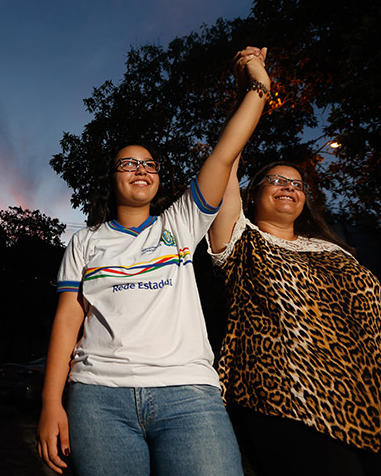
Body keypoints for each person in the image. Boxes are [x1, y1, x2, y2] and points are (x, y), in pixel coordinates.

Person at [36, 46, 271, 476]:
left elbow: (224, 153)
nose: (141, 169)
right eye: (128, 163)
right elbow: (68, 320)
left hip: (188, 397)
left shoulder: (181, 223)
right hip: (98, 399)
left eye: (149, 164)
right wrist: (52, 403)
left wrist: (255, 86)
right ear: (110, 178)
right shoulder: (85, 242)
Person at [206, 160, 381, 476]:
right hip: (291, 402)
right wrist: (247, 110)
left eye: (297, 185)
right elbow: (224, 162)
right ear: (252, 195)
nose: (289, 188)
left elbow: (379, 321)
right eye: (276, 180)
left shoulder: (334, 252)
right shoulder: (241, 240)